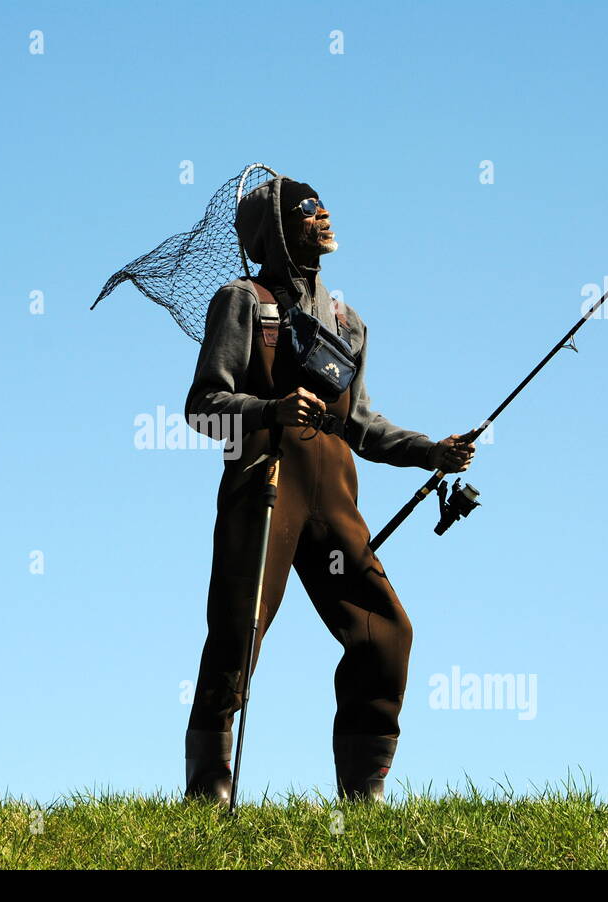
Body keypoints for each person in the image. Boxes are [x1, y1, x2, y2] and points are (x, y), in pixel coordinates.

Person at [183, 176, 475, 804]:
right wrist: (270, 411)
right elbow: (202, 406)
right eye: (310, 210)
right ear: (280, 230)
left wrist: (433, 452)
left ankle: (362, 796)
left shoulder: (348, 321)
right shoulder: (242, 301)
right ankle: (209, 794)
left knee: (385, 629)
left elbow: (363, 425)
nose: (325, 216)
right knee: (237, 632)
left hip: (336, 494)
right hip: (264, 484)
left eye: (322, 207)